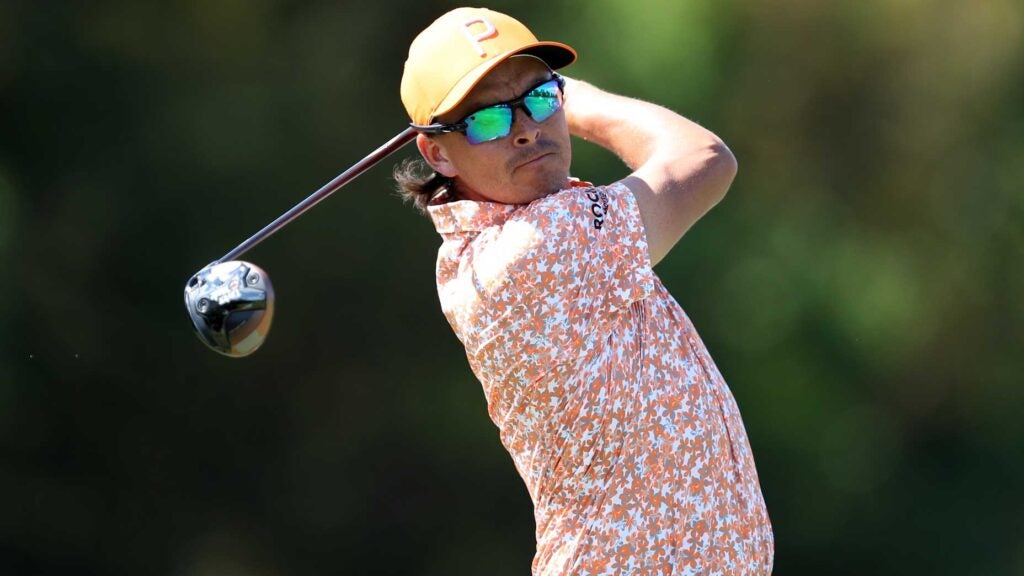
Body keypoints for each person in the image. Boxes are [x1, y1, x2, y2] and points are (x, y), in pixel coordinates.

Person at [396, 7, 773, 575]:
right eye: (488, 121)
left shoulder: (505, 244)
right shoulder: (535, 249)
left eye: (539, 98)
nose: (526, 128)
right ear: (437, 152)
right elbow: (705, 159)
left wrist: (549, 100)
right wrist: (577, 100)